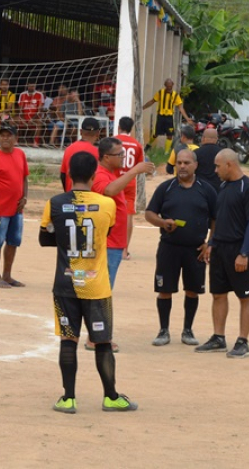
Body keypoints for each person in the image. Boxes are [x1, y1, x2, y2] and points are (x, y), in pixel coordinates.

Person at [38, 151, 138, 413]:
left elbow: (44, 238)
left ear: (69, 175)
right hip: (96, 286)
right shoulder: (107, 204)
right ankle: (111, 397)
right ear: (94, 175)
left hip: (65, 283)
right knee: (102, 341)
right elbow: (104, 232)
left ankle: (69, 398)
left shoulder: (55, 203)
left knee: (68, 340)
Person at [87, 137, 155, 351]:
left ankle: (99, 335)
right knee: (101, 291)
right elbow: (108, 191)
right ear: (106, 157)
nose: (123, 158)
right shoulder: (100, 174)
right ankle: (96, 337)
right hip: (106, 243)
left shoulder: (112, 173)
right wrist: (134, 171)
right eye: (119, 155)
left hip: (113, 243)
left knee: (104, 291)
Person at [145, 149, 217, 347]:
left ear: (196, 165)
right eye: (179, 163)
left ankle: (188, 330)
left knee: (192, 291)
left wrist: (210, 243)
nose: (182, 166)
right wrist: (162, 222)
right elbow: (149, 213)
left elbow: (215, 219)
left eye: (186, 163)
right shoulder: (166, 188)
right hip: (169, 247)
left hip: (196, 250)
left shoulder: (207, 189)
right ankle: (163, 330)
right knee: (164, 289)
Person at [195, 149, 249, 359]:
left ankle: (243, 341)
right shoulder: (223, 187)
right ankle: (218, 337)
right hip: (220, 249)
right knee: (218, 294)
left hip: (238, 250)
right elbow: (220, 219)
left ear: (229, 165)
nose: (215, 170)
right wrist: (211, 243)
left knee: (245, 296)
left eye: (217, 166)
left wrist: (244, 253)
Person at [0, 123, 29, 289]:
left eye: (9, 135)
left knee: (14, 241)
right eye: (2, 135)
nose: (5, 138)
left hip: (16, 208)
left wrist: (24, 196)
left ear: (16, 138)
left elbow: (24, 177)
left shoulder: (20, 154)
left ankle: (7, 275)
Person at [115, 116, 145, 260]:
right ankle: (124, 250)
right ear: (131, 129)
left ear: (119, 127)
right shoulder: (137, 145)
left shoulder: (112, 141)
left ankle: (108, 245)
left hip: (114, 181)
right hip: (130, 182)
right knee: (128, 214)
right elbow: (139, 166)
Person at [143, 78, 194, 154]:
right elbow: (152, 101)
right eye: (167, 86)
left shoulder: (175, 95)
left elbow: (180, 107)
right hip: (160, 116)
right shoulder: (160, 93)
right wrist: (143, 107)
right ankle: (148, 146)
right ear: (165, 85)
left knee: (170, 135)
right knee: (156, 134)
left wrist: (187, 118)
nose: (169, 88)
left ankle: (166, 152)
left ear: (172, 85)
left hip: (169, 117)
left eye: (170, 86)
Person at [59, 116, 101, 192]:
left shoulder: (69, 149)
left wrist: (67, 193)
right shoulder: (97, 153)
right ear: (98, 133)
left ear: (81, 132)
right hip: (90, 198)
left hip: (71, 196)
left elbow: (63, 175)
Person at [17, 80, 46, 145]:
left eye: (33, 86)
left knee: (39, 123)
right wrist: (22, 118)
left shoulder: (39, 94)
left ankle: (35, 142)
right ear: (27, 85)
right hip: (24, 117)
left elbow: (40, 110)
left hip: (35, 118)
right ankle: (16, 140)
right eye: (30, 86)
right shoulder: (22, 94)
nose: (32, 87)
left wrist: (32, 119)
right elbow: (20, 109)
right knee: (14, 121)